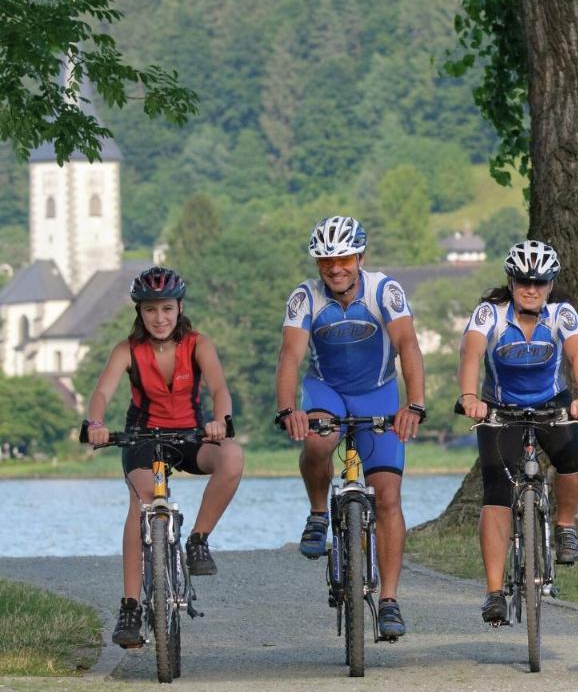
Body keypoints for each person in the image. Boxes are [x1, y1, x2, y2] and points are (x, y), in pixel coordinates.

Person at [274, 215, 425, 641]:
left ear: (359, 256)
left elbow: (407, 345)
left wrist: (413, 404)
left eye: (343, 258)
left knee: (389, 497)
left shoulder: (384, 290)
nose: (335, 268)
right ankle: (319, 513)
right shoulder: (305, 297)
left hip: (376, 393)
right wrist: (289, 409)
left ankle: (390, 600)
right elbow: (290, 355)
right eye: (326, 261)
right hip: (327, 391)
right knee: (321, 438)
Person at [84, 266, 244, 648]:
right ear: (139, 312)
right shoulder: (127, 350)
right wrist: (95, 421)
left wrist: (221, 420)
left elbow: (220, 387)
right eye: (151, 310)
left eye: (167, 309)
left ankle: (198, 540)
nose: (160, 318)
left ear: (180, 307)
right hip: (141, 436)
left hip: (189, 435)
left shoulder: (198, 344)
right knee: (141, 502)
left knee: (233, 458)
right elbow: (102, 392)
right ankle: (130, 608)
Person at [457, 239, 578, 624]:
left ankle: (565, 525)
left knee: (574, 458)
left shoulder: (561, 313)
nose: (531, 289)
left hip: (552, 401)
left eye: (539, 282)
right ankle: (493, 592)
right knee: (498, 493)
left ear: (551, 285)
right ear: (511, 281)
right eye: (523, 282)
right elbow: (470, 352)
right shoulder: (491, 313)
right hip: (500, 408)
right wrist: (470, 397)